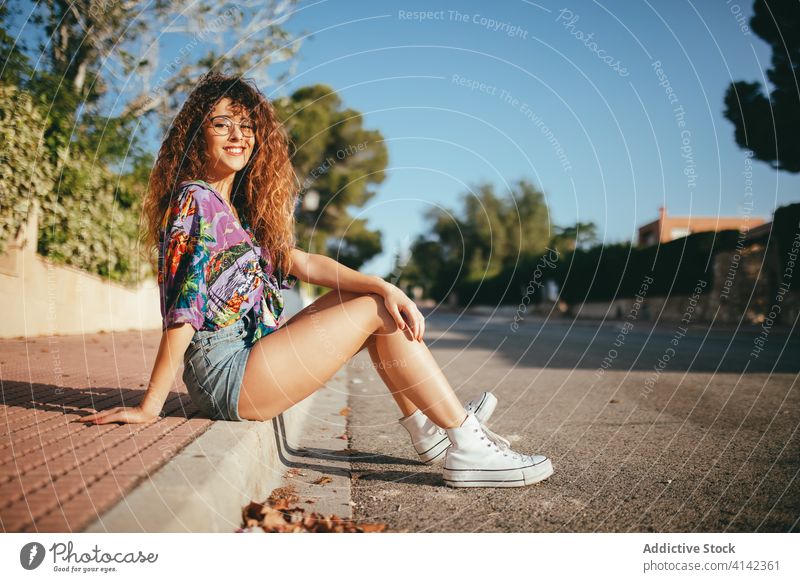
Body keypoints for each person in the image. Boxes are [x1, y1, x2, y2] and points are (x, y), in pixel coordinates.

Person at [78, 71, 553, 488]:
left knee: (373, 302)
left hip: (244, 362)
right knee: (370, 308)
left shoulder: (232, 212)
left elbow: (299, 261)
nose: (238, 135)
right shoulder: (194, 202)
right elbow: (184, 309)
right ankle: (466, 445)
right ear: (194, 134)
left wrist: (381, 283)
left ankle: (429, 428)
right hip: (227, 377)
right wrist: (151, 405)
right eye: (221, 123)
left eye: (247, 125)